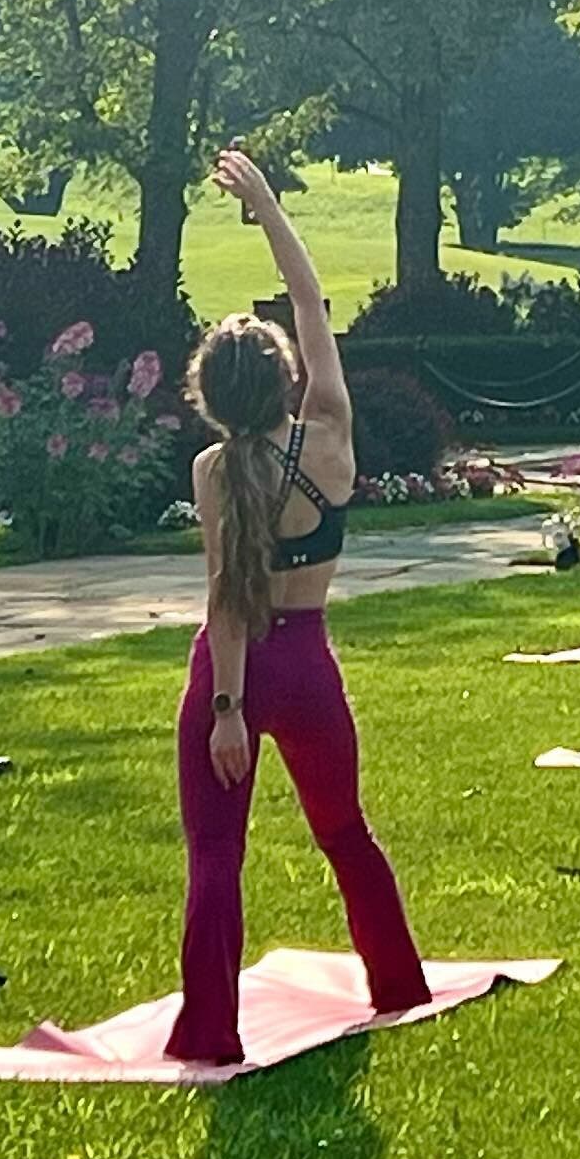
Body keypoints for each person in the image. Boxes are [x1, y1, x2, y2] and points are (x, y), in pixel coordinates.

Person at [174, 146, 430, 1063]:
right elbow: (312, 302)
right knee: (345, 832)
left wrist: (228, 712)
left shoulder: (214, 471)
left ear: (211, 394)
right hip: (309, 665)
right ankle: (397, 982)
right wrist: (269, 209)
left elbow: (227, 600)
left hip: (233, 670)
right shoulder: (328, 439)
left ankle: (209, 1032)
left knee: (215, 858)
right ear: (286, 379)